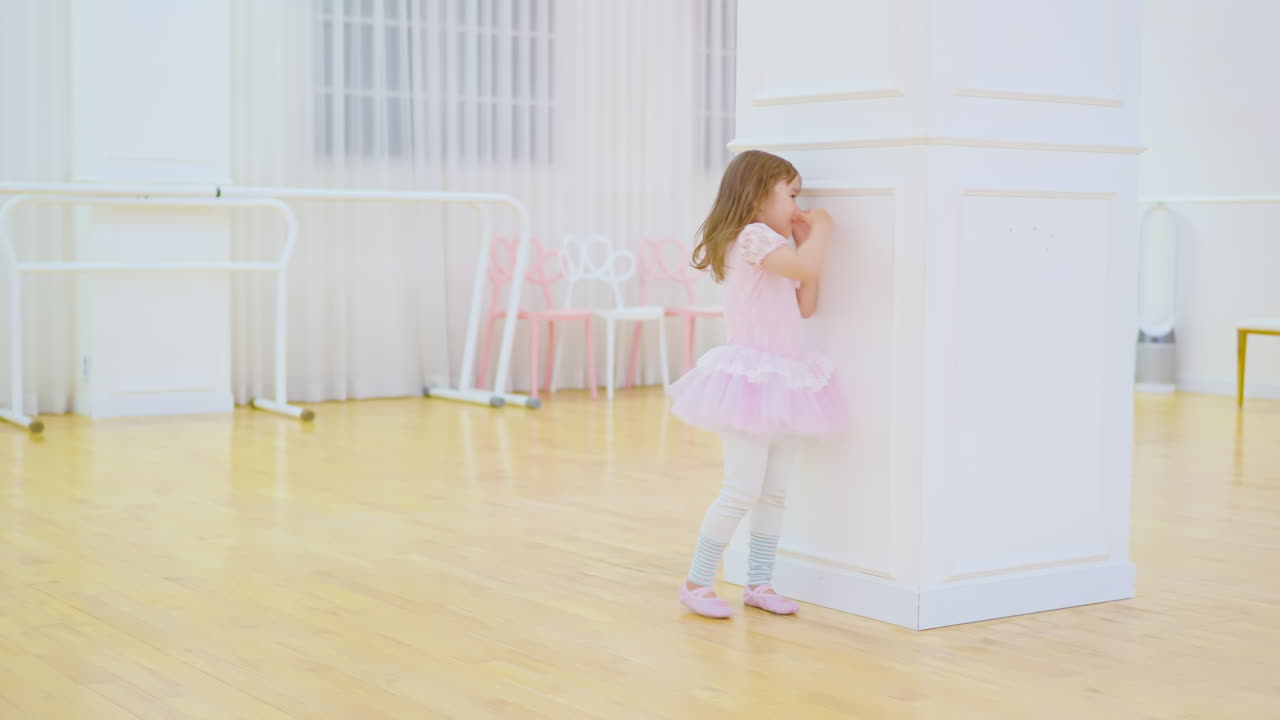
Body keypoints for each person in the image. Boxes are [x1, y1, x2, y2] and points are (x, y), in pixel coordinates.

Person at [669, 150, 849, 618]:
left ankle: (760, 583)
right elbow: (803, 269)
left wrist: (806, 242)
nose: (797, 204)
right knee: (741, 488)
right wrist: (822, 232)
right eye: (790, 194)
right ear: (756, 196)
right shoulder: (751, 237)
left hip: (786, 380)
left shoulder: (778, 246)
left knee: (774, 491)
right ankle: (696, 581)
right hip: (750, 381)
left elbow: (805, 302)